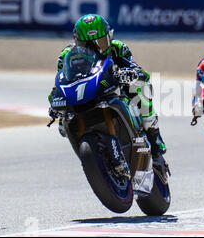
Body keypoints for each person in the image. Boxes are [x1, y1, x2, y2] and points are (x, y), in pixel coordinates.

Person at [48, 14, 167, 172]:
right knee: (62, 122)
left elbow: (138, 70)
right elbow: (60, 81)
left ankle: (155, 142)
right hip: (86, 92)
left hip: (114, 88)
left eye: (100, 42)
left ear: (109, 36)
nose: (95, 47)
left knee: (141, 89)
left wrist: (132, 74)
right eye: (86, 44)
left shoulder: (118, 48)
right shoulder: (66, 55)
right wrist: (55, 102)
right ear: (77, 41)